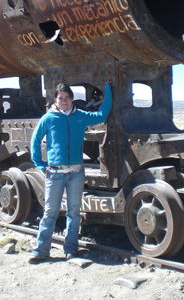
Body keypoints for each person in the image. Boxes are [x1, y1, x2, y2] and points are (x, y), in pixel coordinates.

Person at [29, 81, 112, 263]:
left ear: (72, 99)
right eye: (61, 98)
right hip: (55, 173)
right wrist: (41, 165)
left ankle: (70, 249)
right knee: (50, 212)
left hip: (76, 173)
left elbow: (101, 114)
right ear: (55, 100)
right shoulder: (49, 118)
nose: (64, 101)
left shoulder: (80, 116)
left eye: (67, 98)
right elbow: (35, 141)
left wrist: (107, 90)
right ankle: (41, 251)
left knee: (74, 213)